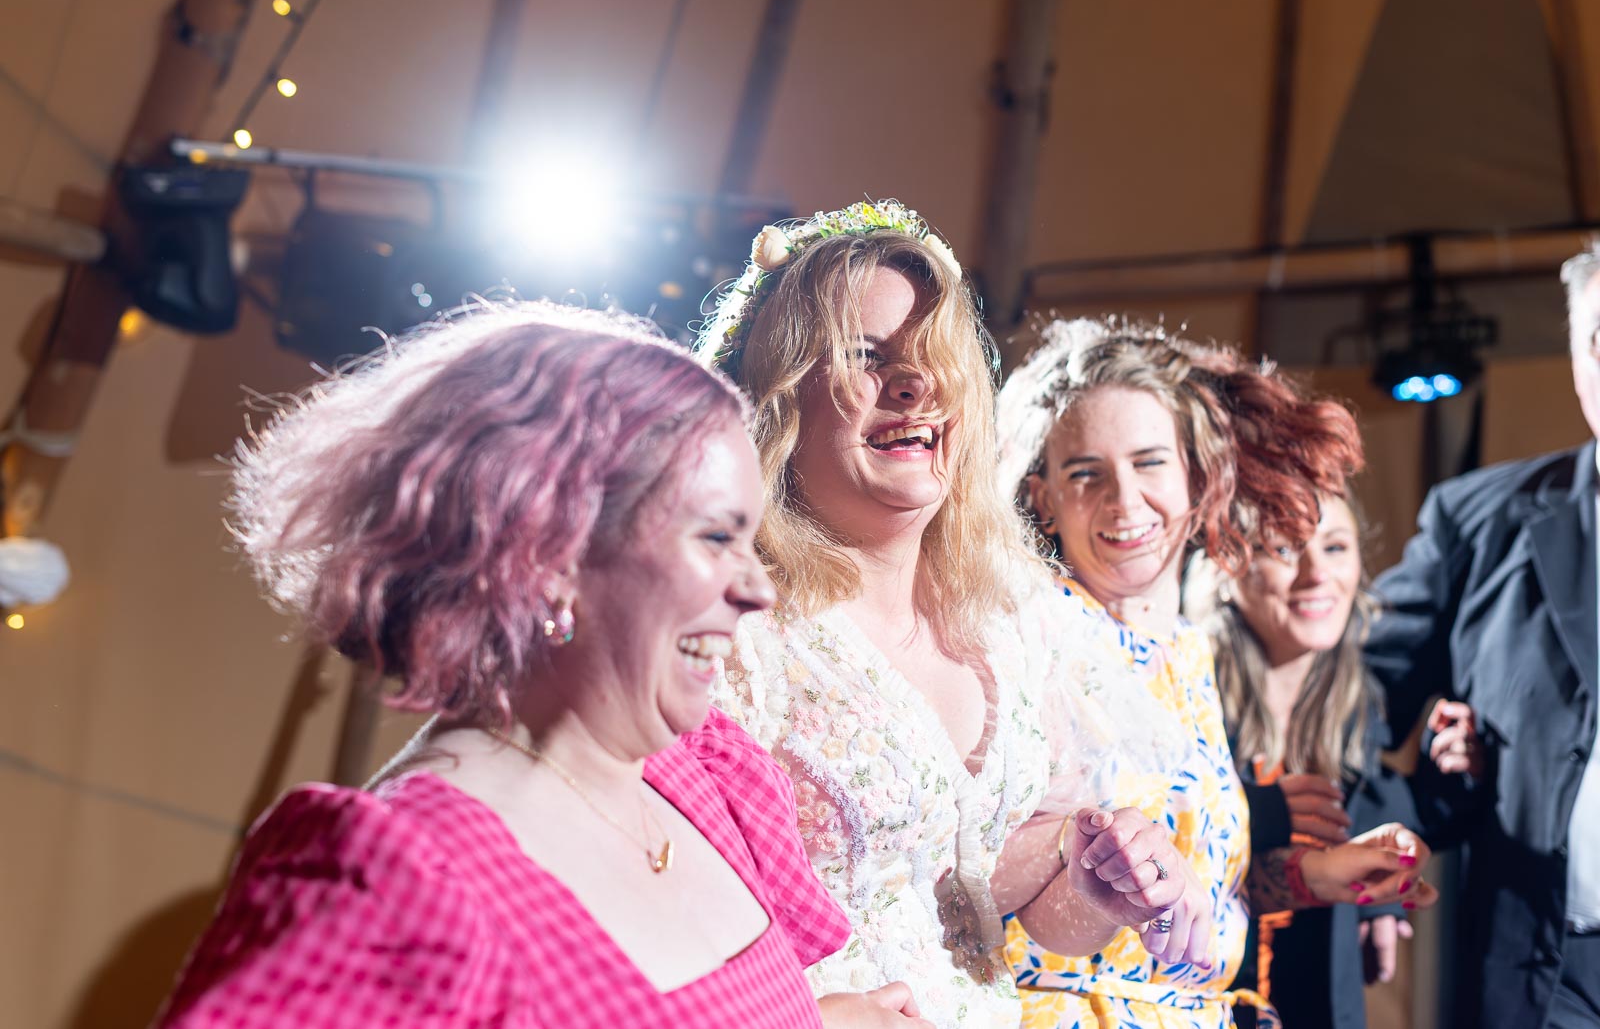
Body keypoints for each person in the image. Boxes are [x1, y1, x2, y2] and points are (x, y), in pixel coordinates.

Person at [158, 302, 932, 1028]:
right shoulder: (395, 877)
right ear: (550, 552)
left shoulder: (701, 774)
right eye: (715, 538)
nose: (757, 588)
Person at [694, 201, 1203, 1028]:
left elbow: (1013, 895)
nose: (916, 383)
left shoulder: (1010, 616)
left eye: (935, 357)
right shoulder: (730, 633)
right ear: (777, 396)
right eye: (866, 356)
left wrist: (1096, 877)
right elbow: (644, 914)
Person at [994, 318, 1438, 1029]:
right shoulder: (1034, 634)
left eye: (1148, 462)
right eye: (1086, 473)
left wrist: (1315, 875)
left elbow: (1198, 885)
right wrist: (1101, 873)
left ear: (1197, 476)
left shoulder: (1185, 652)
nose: (1126, 500)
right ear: (1044, 496)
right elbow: (1000, 886)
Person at [1364, 244, 1600, 1029]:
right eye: (1599, 338)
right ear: (1575, 358)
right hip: (1545, 972)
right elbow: (1345, 703)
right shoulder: (1478, 523)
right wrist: (1367, 856)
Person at [1193, 491, 1418, 1029]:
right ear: (1229, 565)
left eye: (1336, 547)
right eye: (1285, 549)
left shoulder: (1360, 698)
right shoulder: (1183, 683)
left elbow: (1383, 797)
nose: (1318, 574)